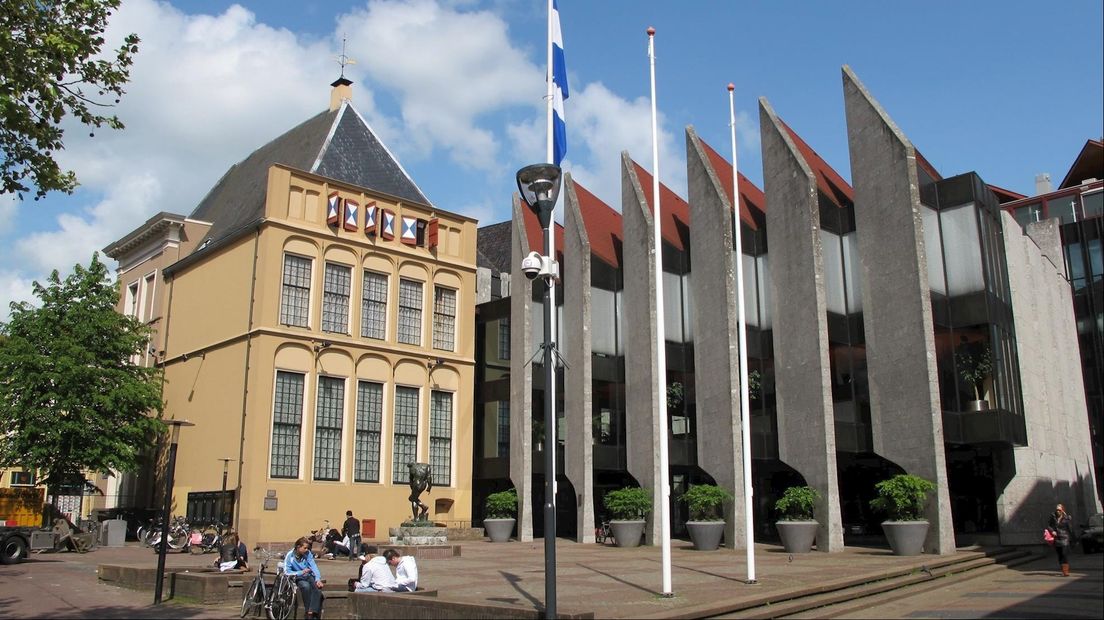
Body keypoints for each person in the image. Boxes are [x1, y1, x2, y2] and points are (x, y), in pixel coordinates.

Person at [284, 536, 325, 619]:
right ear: (298, 547)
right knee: (305, 586)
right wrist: (300, 572)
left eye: (308, 548)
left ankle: (311, 611)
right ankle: (308, 610)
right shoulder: (290, 556)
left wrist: (318, 579)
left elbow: (313, 566)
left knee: (317, 587)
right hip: (298, 577)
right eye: (305, 548)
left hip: (308, 576)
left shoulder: (308, 554)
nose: (307, 550)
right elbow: (287, 572)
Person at [1046, 503, 1074, 577]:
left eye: (1059, 510)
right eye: (1057, 510)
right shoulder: (1053, 517)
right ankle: (1063, 569)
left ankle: (1065, 571)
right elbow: (1049, 526)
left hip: (1064, 538)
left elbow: (1070, 529)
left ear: (1062, 510)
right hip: (1056, 539)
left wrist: (1073, 539)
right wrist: (1052, 531)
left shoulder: (1066, 518)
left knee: (1064, 554)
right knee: (1060, 555)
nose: (1057, 511)